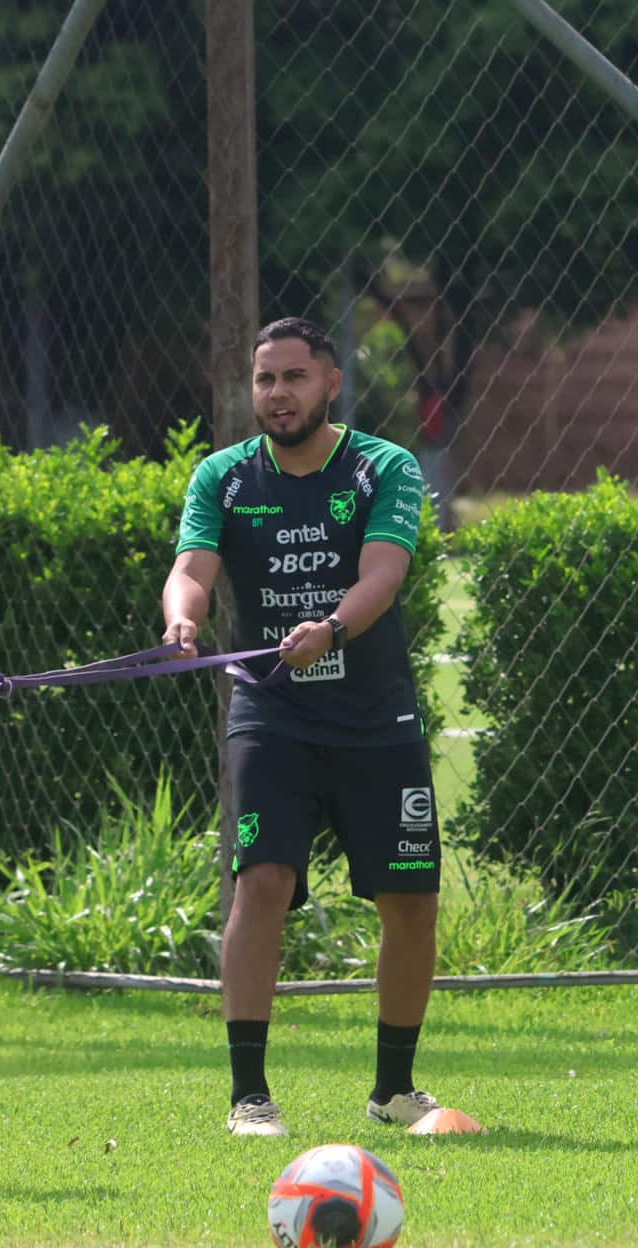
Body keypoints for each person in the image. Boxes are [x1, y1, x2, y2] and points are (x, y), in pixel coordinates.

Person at [163, 316, 448, 1136]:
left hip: (374, 713)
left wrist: (332, 626)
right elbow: (191, 570)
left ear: (330, 383)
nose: (277, 394)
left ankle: (394, 1090)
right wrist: (184, 620)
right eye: (264, 380)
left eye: (294, 377)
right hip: (272, 711)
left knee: (411, 901)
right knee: (262, 883)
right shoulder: (223, 476)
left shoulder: (382, 467)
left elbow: (383, 576)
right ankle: (249, 1094)